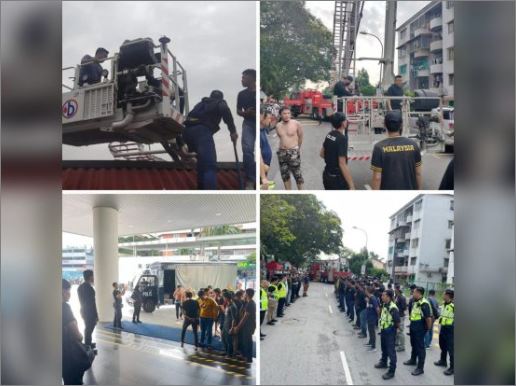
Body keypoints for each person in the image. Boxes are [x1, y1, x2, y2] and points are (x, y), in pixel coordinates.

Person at [184, 90, 238, 189]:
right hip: (202, 132)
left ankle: (201, 190)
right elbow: (224, 109)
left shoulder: (201, 104)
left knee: (201, 165)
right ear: (221, 98)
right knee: (209, 166)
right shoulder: (220, 102)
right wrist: (233, 131)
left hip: (187, 132)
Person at [370, 110, 423, 190]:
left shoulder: (379, 147)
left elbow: (377, 178)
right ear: (401, 125)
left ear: (384, 125)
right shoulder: (413, 145)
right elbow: (418, 173)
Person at [320, 112, 355, 190]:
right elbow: (342, 164)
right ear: (342, 123)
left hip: (327, 176)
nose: (347, 121)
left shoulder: (329, 134)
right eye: (345, 120)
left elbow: (321, 154)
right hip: (337, 180)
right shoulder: (342, 139)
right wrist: (351, 185)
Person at [404, 287, 433, 375]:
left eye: (414, 292)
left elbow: (428, 318)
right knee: (414, 344)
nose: (413, 293)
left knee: (420, 347)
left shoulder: (424, 303)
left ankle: (420, 368)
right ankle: (413, 360)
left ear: (419, 293)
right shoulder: (414, 301)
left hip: (420, 328)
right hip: (413, 326)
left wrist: (428, 329)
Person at [62, 279, 86, 385]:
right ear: (62, 291)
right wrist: (81, 337)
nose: (69, 293)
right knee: (74, 381)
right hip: (68, 354)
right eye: (68, 290)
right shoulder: (64, 307)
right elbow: (76, 334)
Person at [237, 69, 257, 189]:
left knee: (263, 151)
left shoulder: (260, 93)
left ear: (251, 78)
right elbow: (238, 111)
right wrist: (246, 113)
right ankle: (250, 179)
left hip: (260, 123)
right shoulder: (242, 94)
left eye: (244, 77)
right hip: (248, 123)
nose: (242, 80)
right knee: (247, 149)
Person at [275, 107, 304, 190]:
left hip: (293, 152)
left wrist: (297, 148)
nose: (287, 115)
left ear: (290, 114)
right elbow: (281, 138)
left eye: (288, 113)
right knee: (285, 175)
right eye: (284, 113)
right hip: (281, 153)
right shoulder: (278, 125)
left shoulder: (296, 123)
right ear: (281, 115)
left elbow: (301, 136)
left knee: (297, 174)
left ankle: (301, 192)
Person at [375, 289, 400, 380]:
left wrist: (394, 331)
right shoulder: (385, 304)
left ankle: (391, 371)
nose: (381, 297)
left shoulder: (393, 308)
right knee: (384, 348)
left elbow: (397, 322)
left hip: (390, 331)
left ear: (388, 297)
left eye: (383, 295)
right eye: (382, 295)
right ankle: (383, 362)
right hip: (384, 330)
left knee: (391, 352)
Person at [435, 289, 454, 375]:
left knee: (451, 349)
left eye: (443, 294)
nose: (442, 295)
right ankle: (443, 361)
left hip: (451, 330)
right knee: (443, 346)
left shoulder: (453, 306)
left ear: (448, 296)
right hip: (443, 328)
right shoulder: (443, 305)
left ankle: (452, 368)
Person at [77, 270, 98, 349]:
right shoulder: (89, 288)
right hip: (90, 312)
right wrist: (96, 315)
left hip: (83, 310)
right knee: (89, 328)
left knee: (88, 328)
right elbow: (92, 303)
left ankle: (88, 343)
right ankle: (87, 346)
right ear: (90, 277)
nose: (94, 277)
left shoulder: (80, 287)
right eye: (93, 276)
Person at [234, 288, 256, 363]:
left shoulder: (250, 304)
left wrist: (238, 327)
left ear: (247, 294)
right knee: (244, 341)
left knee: (248, 342)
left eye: (244, 293)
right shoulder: (249, 302)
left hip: (248, 326)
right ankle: (244, 355)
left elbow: (245, 317)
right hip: (247, 326)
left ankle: (248, 358)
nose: (243, 295)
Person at [260, 106, 274, 189]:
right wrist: (263, 176)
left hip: (264, 167)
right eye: (269, 118)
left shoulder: (263, 129)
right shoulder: (257, 132)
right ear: (262, 118)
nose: (270, 120)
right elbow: (258, 156)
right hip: (262, 168)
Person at [364, 287, 380, 352]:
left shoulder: (373, 298)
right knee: (370, 331)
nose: (365, 291)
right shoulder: (370, 298)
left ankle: (374, 347)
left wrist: (378, 317)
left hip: (372, 318)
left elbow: (377, 309)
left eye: (365, 290)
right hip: (369, 317)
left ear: (367, 291)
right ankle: (370, 342)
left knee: (372, 332)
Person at [222, 291, 237, 357]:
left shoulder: (232, 306)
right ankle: (226, 351)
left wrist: (232, 328)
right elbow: (226, 314)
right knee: (223, 338)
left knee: (229, 340)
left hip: (229, 325)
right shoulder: (228, 304)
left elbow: (234, 319)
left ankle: (229, 353)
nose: (223, 299)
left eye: (224, 297)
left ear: (226, 298)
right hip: (225, 324)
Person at [394, 284, 407, 352]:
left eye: (395, 289)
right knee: (396, 330)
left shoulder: (402, 297)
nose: (394, 290)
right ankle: (396, 342)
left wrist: (398, 309)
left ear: (398, 290)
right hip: (397, 316)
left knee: (400, 331)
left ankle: (402, 346)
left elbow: (404, 307)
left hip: (400, 316)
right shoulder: (397, 296)